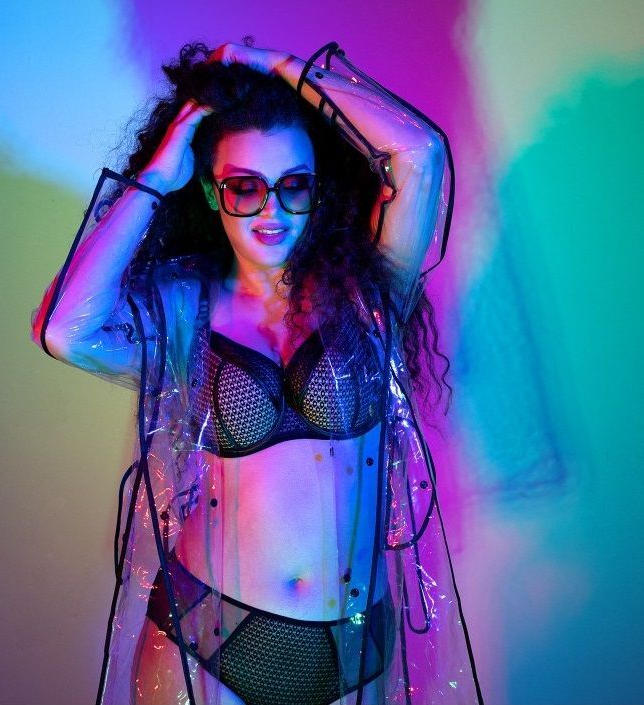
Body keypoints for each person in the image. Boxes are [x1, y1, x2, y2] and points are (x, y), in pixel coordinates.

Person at [31, 39, 483, 705]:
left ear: (319, 189)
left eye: (292, 185)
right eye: (244, 187)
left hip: (353, 644)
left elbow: (419, 154)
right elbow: (65, 330)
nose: (271, 211)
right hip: (209, 636)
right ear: (209, 191)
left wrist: (277, 67)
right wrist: (157, 174)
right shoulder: (184, 308)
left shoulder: (367, 292)